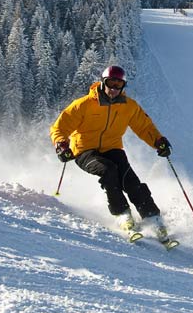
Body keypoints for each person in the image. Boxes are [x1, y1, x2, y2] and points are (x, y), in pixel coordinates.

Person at [50, 65, 173, 240]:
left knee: (129, 179)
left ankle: (152, 217)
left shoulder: (128, 106)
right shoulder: (84, 105)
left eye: (118, 85)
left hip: (112, 147)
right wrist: (61, 145)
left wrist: (158, 142)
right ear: (102, 82)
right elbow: (60, 127)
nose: (114, 89)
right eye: (110, 83)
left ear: (123, 86)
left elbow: (144, 126)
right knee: (108, 171)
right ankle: (122, 214)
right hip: (85, 150)